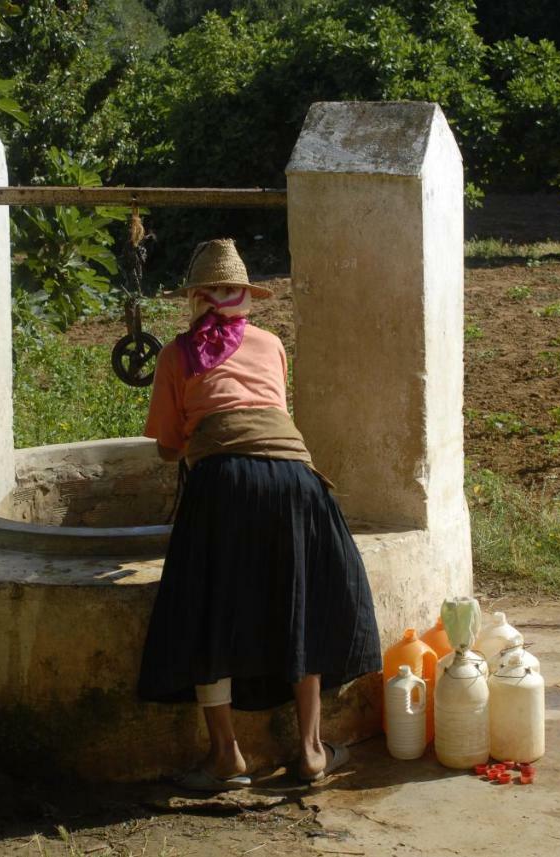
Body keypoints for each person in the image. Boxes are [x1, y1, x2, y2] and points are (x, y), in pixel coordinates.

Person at [137, 238, 381, 791]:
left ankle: (226, 757)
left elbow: (169, 447)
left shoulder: (177, 354)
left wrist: (193, 442)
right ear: (244, 297)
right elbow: (272, 415)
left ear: (196, 299)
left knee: (207, 610)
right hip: (297, 480)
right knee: (303, 603)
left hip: (224, 483)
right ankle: (313, 752)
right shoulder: (272, 344)